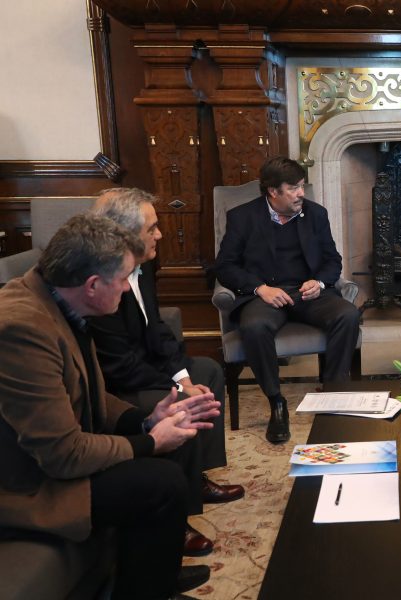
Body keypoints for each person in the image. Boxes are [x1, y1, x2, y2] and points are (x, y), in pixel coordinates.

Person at [0, 213, 222, 600]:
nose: (125, 288)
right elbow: (63, 455)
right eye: (123, 279)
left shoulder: (58, 299)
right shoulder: (22, 329)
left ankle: (158, 578)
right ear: (92, 285)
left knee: (169, 452)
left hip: (53, 459)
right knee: (161, 482)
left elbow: (86, 391)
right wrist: (150, 441)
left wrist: (146, 419)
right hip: (28, 485)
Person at [88, 188, 245, 556]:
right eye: (152, 228)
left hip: (146, 364)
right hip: (118, 385)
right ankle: (178, 518)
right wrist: (178, 389)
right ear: (124, 234)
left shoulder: (144, 268)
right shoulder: (102, 280)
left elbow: (157, 328)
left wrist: (184, 378)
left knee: (208, 371)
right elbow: (119, 366)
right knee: (179, 404)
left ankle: (198, 475)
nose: (159, 235)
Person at [215, 156, 361, 443]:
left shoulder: (316, 214)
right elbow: (225, 267)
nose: (301, 193)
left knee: (348, 314)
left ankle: (333, 394)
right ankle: (276, 402)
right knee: (254, 327)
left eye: (302, 186)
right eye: (293, 188)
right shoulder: (242, 217)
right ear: (273, 191)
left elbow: (333, 260)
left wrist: (319, 282)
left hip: (308, 294)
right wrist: (260, 288)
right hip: (266, 296)